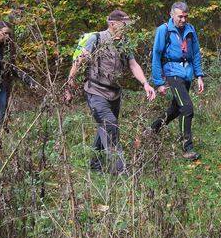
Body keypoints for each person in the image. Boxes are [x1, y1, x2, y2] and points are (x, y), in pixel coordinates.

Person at [64, 10, 156, 175]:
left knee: (105, 126)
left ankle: (95, 164)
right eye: (124, 24)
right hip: (95, 91)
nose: (127, 28)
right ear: (113, 24)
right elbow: (79, 62)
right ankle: (119, 170)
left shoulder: (124, 42)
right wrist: (69, 87)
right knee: (110, 124)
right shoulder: (97, 39)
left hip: (114, 93)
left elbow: (133, 65)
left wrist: (145, 83)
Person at [149, 1, 205, 161]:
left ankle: (151, 130)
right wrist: (158, 82)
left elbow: (195, 53)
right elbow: (157, 55)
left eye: (186, 16)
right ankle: (187, 147)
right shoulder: (163, 30)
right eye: (180, 16)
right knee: (187, 108)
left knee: (175, 110)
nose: (183, 20)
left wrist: (199, 75)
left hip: (187, 73)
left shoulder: (190, 29)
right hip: (172, 73)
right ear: (172, 14)